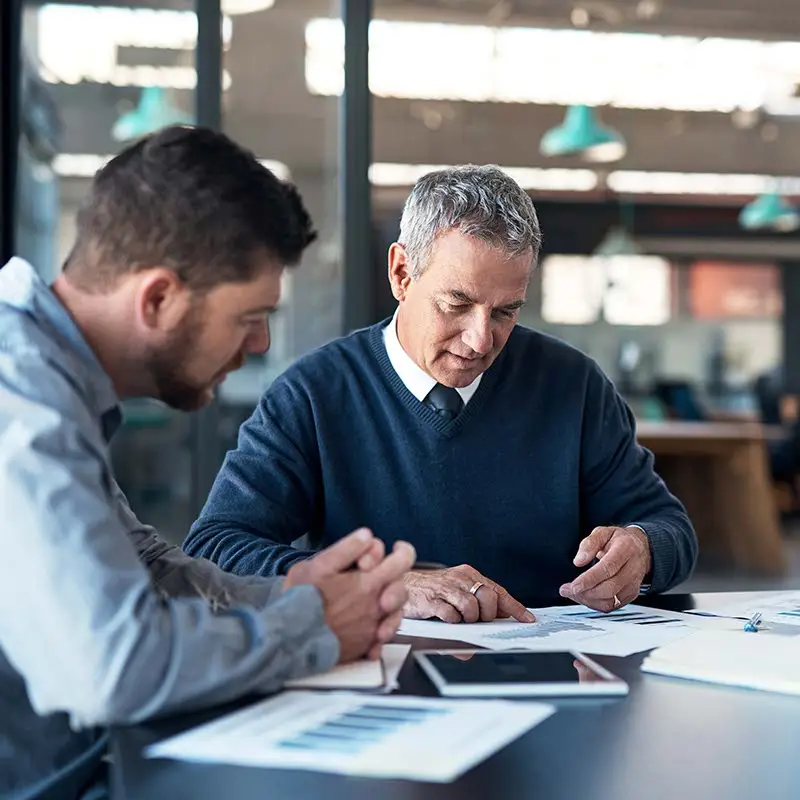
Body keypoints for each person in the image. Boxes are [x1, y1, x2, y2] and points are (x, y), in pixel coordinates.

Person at [0, 125, 415, 800]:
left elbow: (143, 568)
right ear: (158, 298)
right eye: (249, 315)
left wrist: (287, 594)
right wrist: (310, 626)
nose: (261, 342)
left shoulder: (52, 378)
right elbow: (110, 667)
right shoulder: (21, 404)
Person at [184, 164, 698, 624]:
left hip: (552, 673)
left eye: (505, 312)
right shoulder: (314, 395)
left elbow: (670, 527)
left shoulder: (574, 386)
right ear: (402, 274)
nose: (480, 340)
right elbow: (215, 548)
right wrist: (377, 587)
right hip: (382, 678)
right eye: (457, 303)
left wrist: (643, 549)